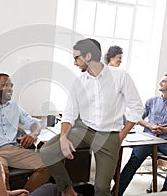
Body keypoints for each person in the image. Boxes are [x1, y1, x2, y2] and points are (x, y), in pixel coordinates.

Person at [40, 38, 143, 196]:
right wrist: (63, 137)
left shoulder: (120, 76)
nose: (74, 62)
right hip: (84, 130)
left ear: (88, 56)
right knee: (47, 152)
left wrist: (121, 135)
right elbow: (69, 114)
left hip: (110, 135)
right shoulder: (78, 82)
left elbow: (136, 107)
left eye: (76, 58)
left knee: (102, 189)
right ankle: (69, 192)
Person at [118, 74, 167, 195]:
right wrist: (149, 126)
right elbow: (136, 118)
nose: (160, 83)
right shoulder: (151, 101)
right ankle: (117, 191)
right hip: (148, 139)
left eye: (163, 81)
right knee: (135, 159)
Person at [0, 73, 51, 192]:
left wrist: (33, 134)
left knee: (47, 164)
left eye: (11, 85)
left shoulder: (15, 107)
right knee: (0, 173)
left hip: (14, 150)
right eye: (5, 85)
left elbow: (35, 123)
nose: (10, 88)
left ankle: (23, 193)